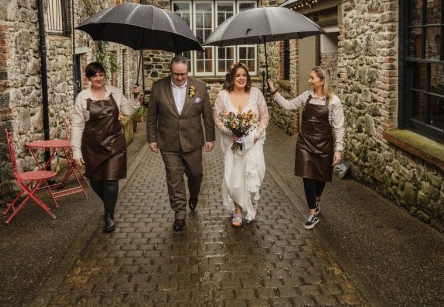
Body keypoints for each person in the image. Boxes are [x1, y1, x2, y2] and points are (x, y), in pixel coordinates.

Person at [268, 66, 344, 229]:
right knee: (308, 175)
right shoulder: (306, 96)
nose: (309, 81)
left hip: (324, 143)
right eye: (309, 77)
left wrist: (338, 149)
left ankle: (316, 200)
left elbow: (338, 127)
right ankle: (312, 214)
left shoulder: (333, 101)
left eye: (312, 78)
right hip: (305, 143)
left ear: (322, 81)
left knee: (321, 177)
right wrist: (274, 91)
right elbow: (288, 105)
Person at [146, 55, 215, 231]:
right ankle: (179, 213)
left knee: (196, 174)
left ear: (187, 72)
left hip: (193, 141)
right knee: (174, 178)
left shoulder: (199, 86)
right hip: (168, 142)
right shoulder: (158, 87)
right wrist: (152, 139)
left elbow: (207, 114)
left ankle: (194, 194)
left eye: (182, 74)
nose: (179, 78)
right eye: (176, 74)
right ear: (170, 71)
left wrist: (210, 138)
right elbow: (152, 116)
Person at [71, 62, 140, 233]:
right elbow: (77, 125)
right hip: (92, 145)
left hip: (114, 143)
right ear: (88, 78)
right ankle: (110, 202)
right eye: (94, 75)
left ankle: (109, 214)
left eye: (101, 74)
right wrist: (76, 151)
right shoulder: (82, 97)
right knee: (95, 181)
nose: (98, 78)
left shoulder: (115, 92)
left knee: (110, 180)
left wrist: (135, 97)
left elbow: (129, 111)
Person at [214, 62, 269, 227]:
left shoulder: (256, 93)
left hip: (254, 141)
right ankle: (238, 211)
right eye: (238, 75)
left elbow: (264, 116)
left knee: (255, 172)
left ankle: (252, 203)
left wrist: (256, 134)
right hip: (233, 143)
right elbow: (217, 118)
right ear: (231, 77)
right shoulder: (223, 96)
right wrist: (231, 132)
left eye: (244, 75)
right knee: (236, 175)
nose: (241, 78)